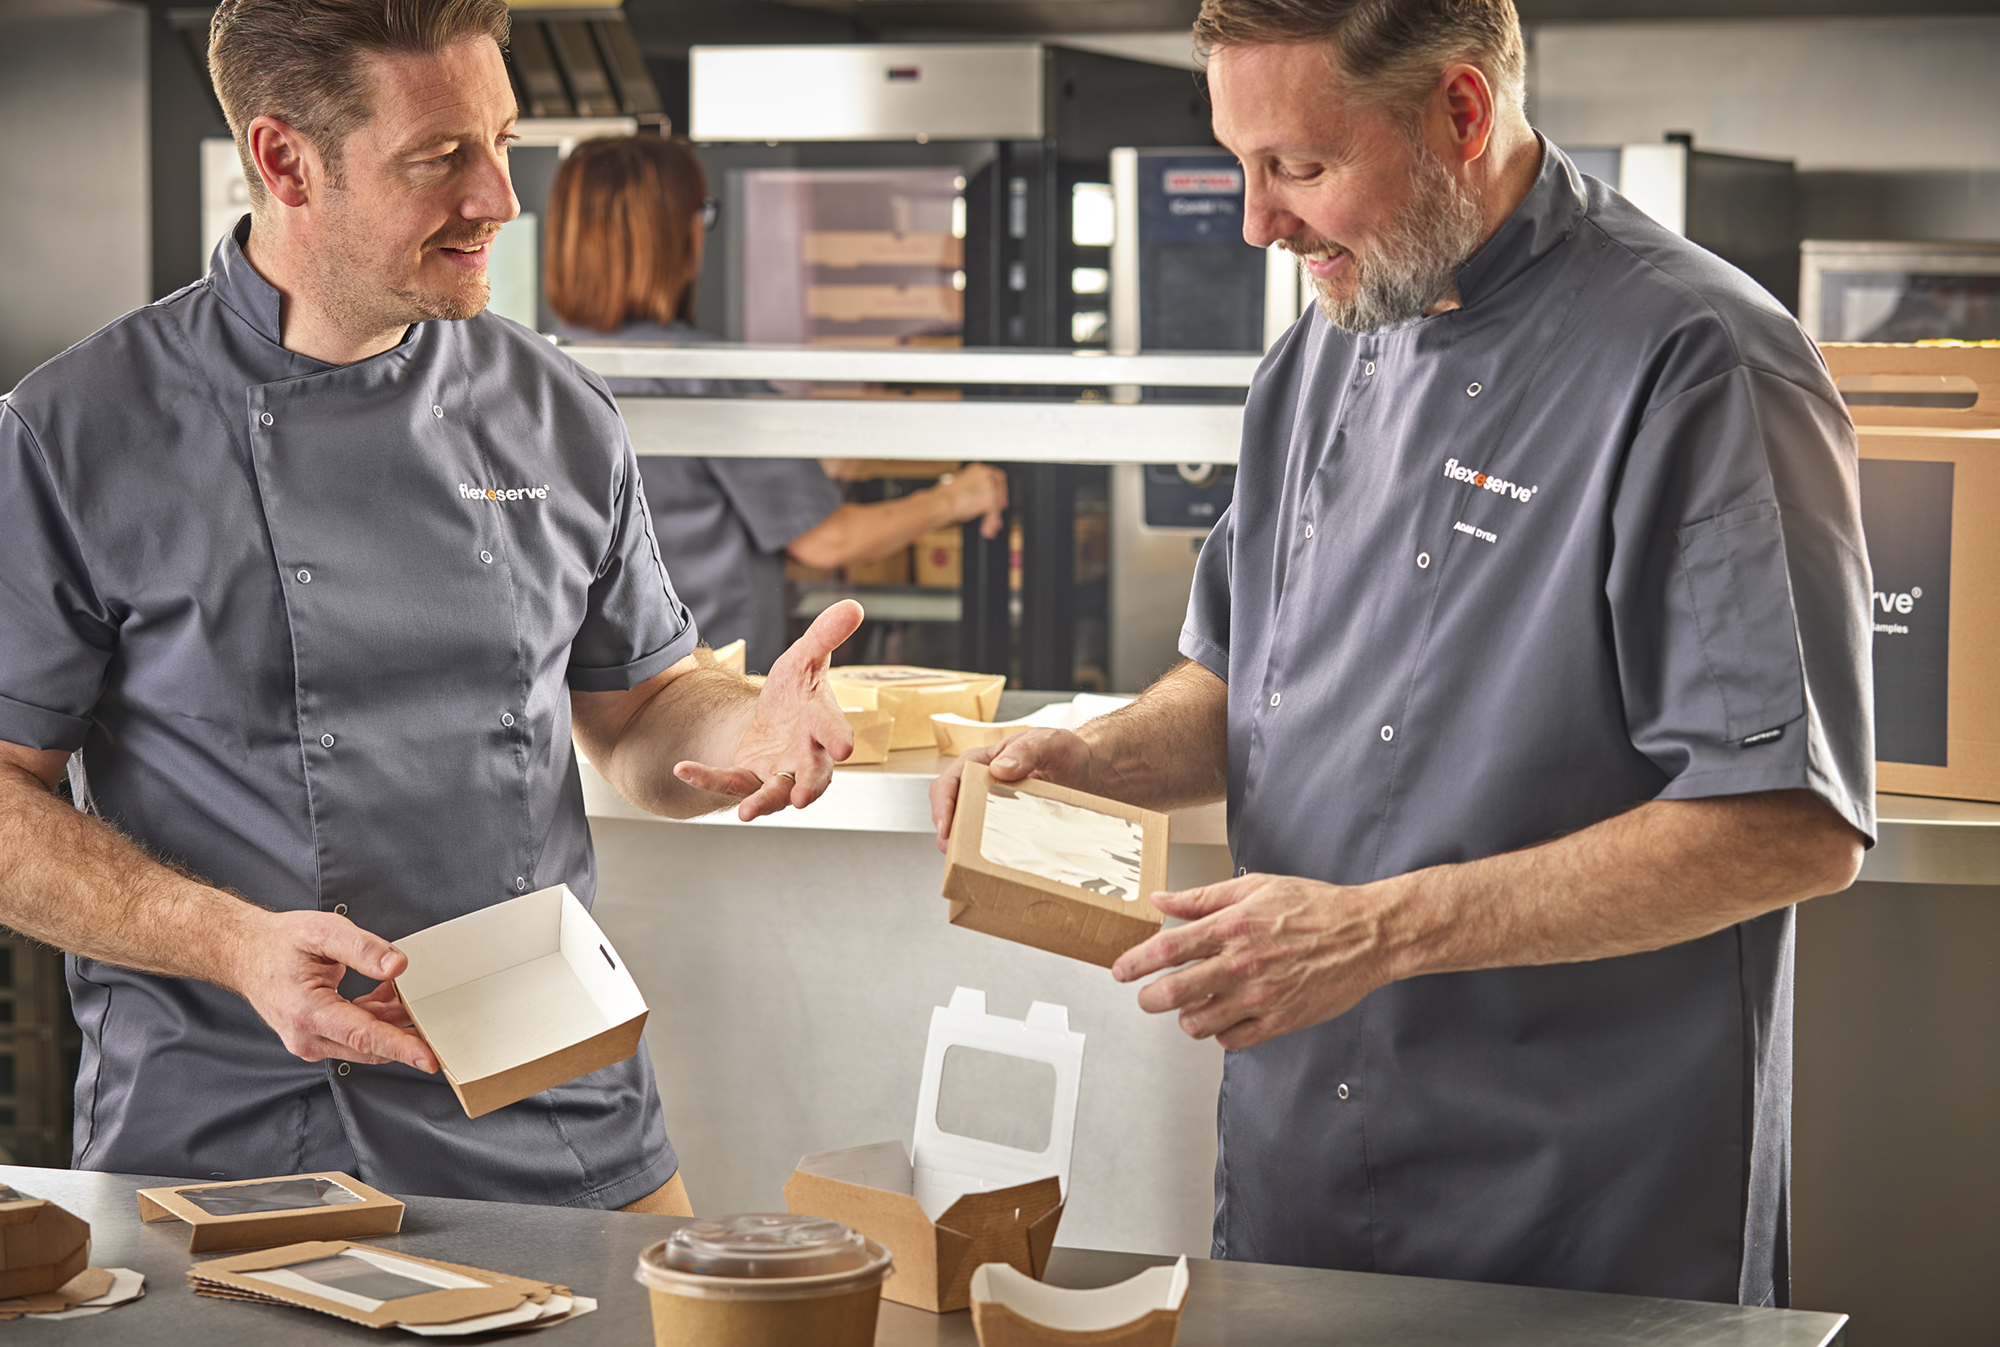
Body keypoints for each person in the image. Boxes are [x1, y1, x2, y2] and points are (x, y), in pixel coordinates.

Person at [933, 0, 1872, 1308]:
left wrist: (1377, 929)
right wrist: (1088, 759)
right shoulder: (1322, 345)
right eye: (1240, 164)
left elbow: (1785, 823)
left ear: (1464, 114)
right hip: (1301, 1189)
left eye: (1301, 167)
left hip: (1586, 1221)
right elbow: (1241, 676)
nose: (1259, 222)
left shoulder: (1702, 362)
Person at [0, 0, 862, 1214]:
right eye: (439, 157)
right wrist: (234, 944)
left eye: (501, 141)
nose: (499, 197)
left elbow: (640, 707)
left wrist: (740, 727)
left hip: (557, 1108)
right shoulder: (77, 430)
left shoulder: (555, 407)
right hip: (230, 1129)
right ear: (284, 160)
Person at [543, 135, 1009, 673]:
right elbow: (828, 542)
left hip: (596, 685)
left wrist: (810, 477)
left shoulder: (545, 368)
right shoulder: (700, 375)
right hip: (707, 685)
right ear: (671, 233)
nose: (702, 230)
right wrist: (964, 495)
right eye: (702, 212)